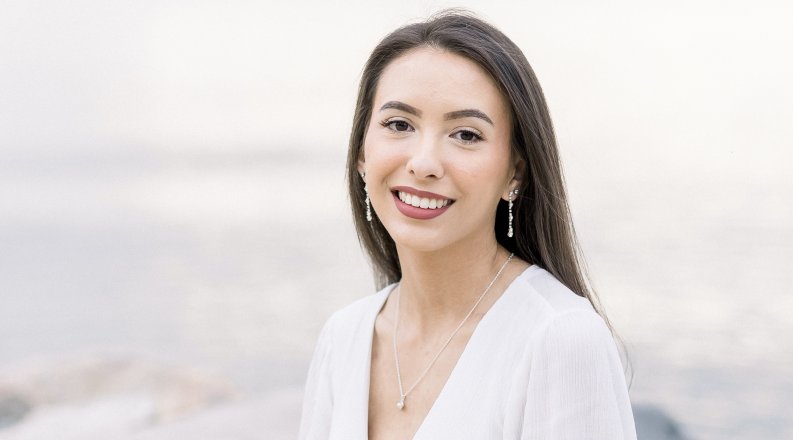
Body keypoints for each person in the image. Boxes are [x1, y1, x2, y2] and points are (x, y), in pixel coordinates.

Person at [299, 9, 636, 440]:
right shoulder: (343, 339)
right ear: (362, 154)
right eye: (398, 124)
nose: (423, 164)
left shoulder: (559, 340)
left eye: (466, 134)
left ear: (515, 173)